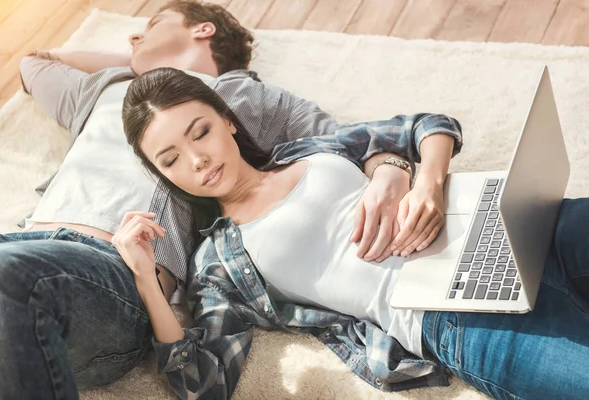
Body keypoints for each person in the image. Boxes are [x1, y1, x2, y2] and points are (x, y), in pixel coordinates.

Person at [0, 1, 451, 398]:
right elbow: (36, 63)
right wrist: (142, 71)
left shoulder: (242, 98)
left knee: (3, 277)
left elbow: (351, 141)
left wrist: (392, 171)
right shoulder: (104, 90)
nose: (135, 35)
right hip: (31, 243)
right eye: (168, 156)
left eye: (150, 26)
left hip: (108, 271)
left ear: (202, 29)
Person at [117, 67, 589, 400]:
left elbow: (430, 126)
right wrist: (145, 279)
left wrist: (425, 181)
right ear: (164, 175)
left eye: (199, 132)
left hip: (502, 228)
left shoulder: (308, 149)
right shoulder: (219, 262)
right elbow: (202, 383)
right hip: (454, 319)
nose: (196, 159)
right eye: (171, 159)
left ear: (228, 120)